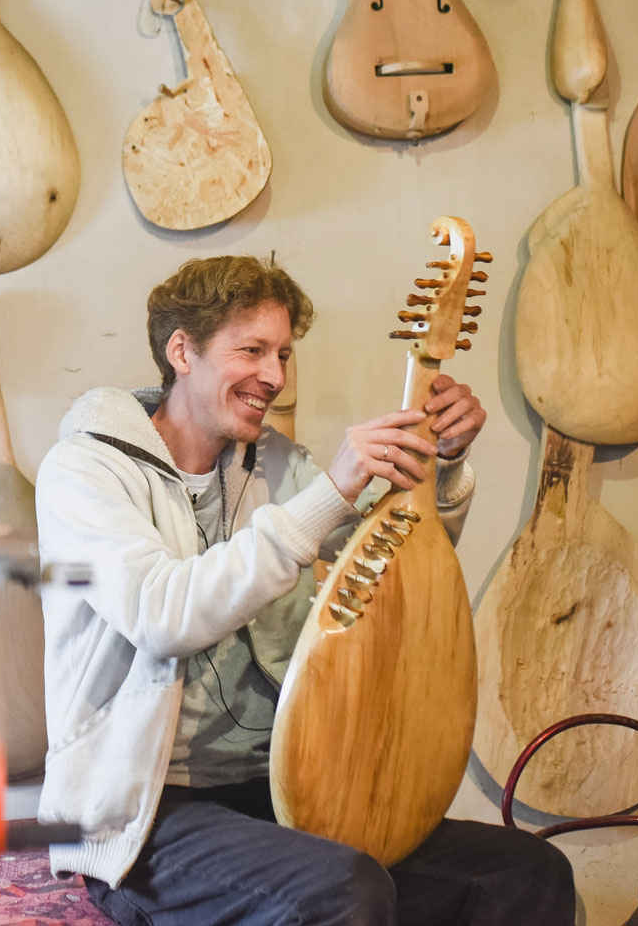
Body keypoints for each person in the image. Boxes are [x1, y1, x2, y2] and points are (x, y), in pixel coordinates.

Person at [33, 255, 574, 925]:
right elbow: (161, 612)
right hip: (147, 814)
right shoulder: (84, 470)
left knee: (526, 872)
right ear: (182, 351)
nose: (275, 375)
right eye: (252, 349)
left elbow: (381, 574)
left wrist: (445, 465)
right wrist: (332, 491)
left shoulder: (280, 466)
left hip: (286, 791)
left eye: (283, 353)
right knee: (344, 889)